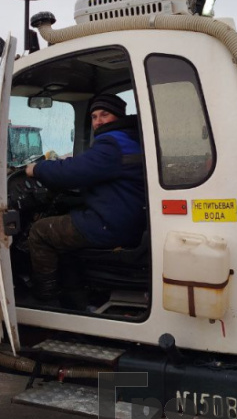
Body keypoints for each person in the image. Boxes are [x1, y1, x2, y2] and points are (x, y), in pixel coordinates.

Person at [24, 93, 146, 305]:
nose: (98, 121)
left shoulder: (112, 143)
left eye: (104, 115)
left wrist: (37, 168)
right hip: (129, 218)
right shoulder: (130, 138)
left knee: (40, 232)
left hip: (111, 224)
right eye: (94, 116)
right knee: (67, 226)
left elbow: (72, 172)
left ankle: (45, 298)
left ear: (118, 116)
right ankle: (75, 293)